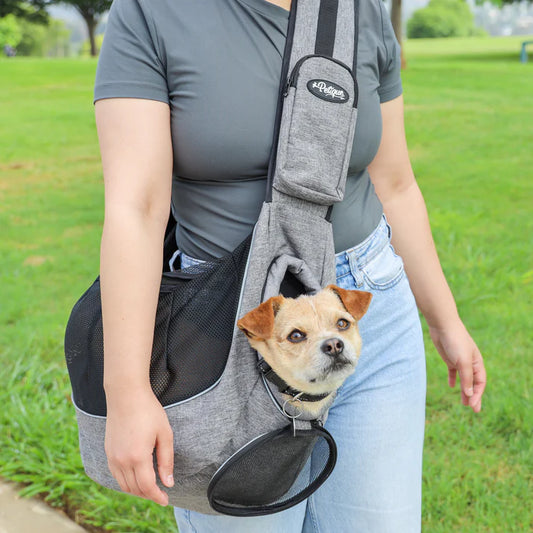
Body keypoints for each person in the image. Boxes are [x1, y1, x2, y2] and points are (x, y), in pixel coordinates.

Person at [93, 0, 486, 531]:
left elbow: (395, 183)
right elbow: (135, 209)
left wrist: (445, 320)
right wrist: (126, 390)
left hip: (363, 312)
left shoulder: (360, 10)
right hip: (229, 329)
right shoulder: (153, 11)